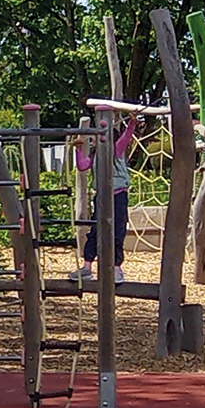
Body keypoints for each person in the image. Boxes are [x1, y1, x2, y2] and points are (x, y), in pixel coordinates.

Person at [72, 113, 138, 282]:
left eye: (96, 137)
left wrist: (132, 123)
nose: (94, 140)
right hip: (101, 196)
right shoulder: (96, 155)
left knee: (118, 231)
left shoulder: (116, 150)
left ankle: (116, 268)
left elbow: (125, 138)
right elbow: (82, 166)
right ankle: (87, 266)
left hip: (118, 195)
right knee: (95, 230)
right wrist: (78, 150)